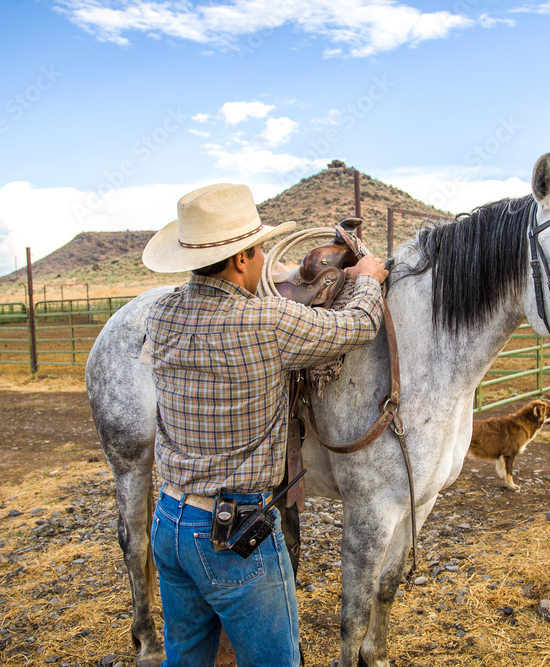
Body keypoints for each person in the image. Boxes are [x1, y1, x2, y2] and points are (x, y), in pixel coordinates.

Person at [141, 183, 388, 667]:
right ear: (240, 261)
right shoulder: (268, 322)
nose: (263, 264)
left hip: (169, 519)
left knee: (186, 658)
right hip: (231, 532)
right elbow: (359, 325)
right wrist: (367, 278)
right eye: (258, 253)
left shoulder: (160, 313)